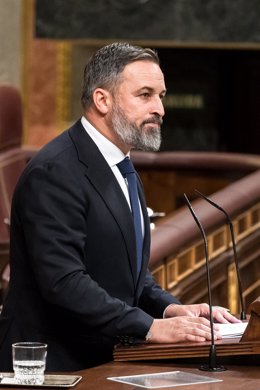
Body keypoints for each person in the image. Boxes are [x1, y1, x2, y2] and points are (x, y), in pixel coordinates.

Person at [0, 42, 239, 372]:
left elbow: (129, 276)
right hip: (53, 366)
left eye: (161, 96)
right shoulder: (55, 172)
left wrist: (171, 310)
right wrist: (151, 327)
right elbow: (64, 283)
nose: (160, 109)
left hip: (105, 357)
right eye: (145, 95)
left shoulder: (122, 166)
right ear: (102, 100)